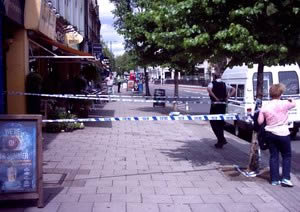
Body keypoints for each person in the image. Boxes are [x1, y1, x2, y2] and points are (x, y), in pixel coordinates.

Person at [258, 83, 296, 187]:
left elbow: (260, 121)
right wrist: (290, 99)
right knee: (286, 156)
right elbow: (294, 104)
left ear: (270, 93)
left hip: (270, 133)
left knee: (274, 156)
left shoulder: (265, 106)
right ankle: (285, 178)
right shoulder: (285, 104)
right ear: (281, 93)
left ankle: (274, 179)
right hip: (284, 133)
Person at [207, 72, 235, 148]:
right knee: (220, 123)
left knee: (213, 123)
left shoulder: (212, 84)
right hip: (223, 105)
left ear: (214, 77)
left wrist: (215, 98)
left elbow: (209, 90)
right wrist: (228, 97)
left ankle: (221, 139)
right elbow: (233, 89)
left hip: (215, 105)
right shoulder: (224, 84)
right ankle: (220, 142)